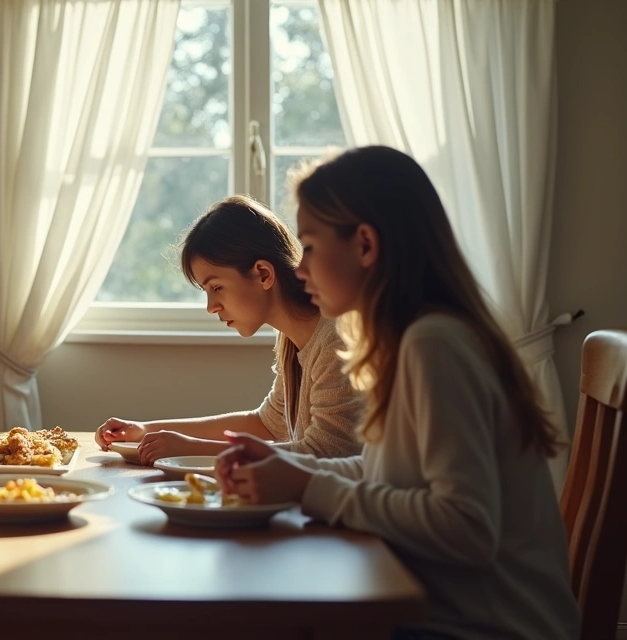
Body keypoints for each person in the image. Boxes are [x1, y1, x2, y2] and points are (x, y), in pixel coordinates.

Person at [215, 146, 579, 640]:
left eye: (312, 247)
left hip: (486, 629)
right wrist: (289, 467)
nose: (300, 270)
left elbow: (466, 527)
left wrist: (305, 488)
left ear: (365, 245)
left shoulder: (436, 344)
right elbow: (385, 472)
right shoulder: (410, 339)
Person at [96, 195, 362, 464]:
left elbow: (326, 453)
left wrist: (190, 448)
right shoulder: (293, 339)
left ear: (263, 274)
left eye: (216, 287)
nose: (211, 307)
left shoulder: (337, 339)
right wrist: (146, 430)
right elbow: (268, 422)